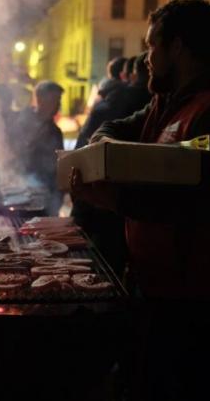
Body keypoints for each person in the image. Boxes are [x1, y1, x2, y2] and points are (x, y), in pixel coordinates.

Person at [71, 0, 210, 401]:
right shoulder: (170, 99)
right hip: (162, 283)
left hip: (204, 295)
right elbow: (120, 125)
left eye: (151, 46)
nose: (146, 58)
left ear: (177, 46)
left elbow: (204, 202)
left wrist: (115, 199)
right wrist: (100, 146)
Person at [72, 53, 152, 277]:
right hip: (115, 212)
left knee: (97, 276)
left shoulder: (127, 101)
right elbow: (102, 132)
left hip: (109, 212)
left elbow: (81, 149)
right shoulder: (154, 103)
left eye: (154, 46)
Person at [17, 81, 65, 215]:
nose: (59, 105)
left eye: (59, 100)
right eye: (55, 100)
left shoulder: (55, 130)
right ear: (40, 99)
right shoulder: (23, 122)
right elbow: (16, 155)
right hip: (24, 194)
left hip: (49, 194)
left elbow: (58, 163)